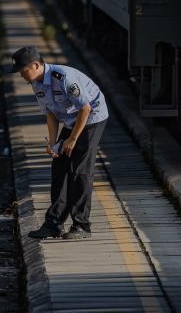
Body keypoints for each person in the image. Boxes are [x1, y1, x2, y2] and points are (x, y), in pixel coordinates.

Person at [6, 46, 109, 240]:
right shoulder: (36, 82)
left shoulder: (64, 78)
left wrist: (72, 139)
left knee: (79, 170)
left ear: (36, 65)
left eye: (23, 71)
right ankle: (53, 223)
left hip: (92, 117)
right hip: (72, 118)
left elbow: (85, 109)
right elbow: (51, 114)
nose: (21, 76)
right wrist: (54, 144)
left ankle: (81, 225)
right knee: (59, 168)